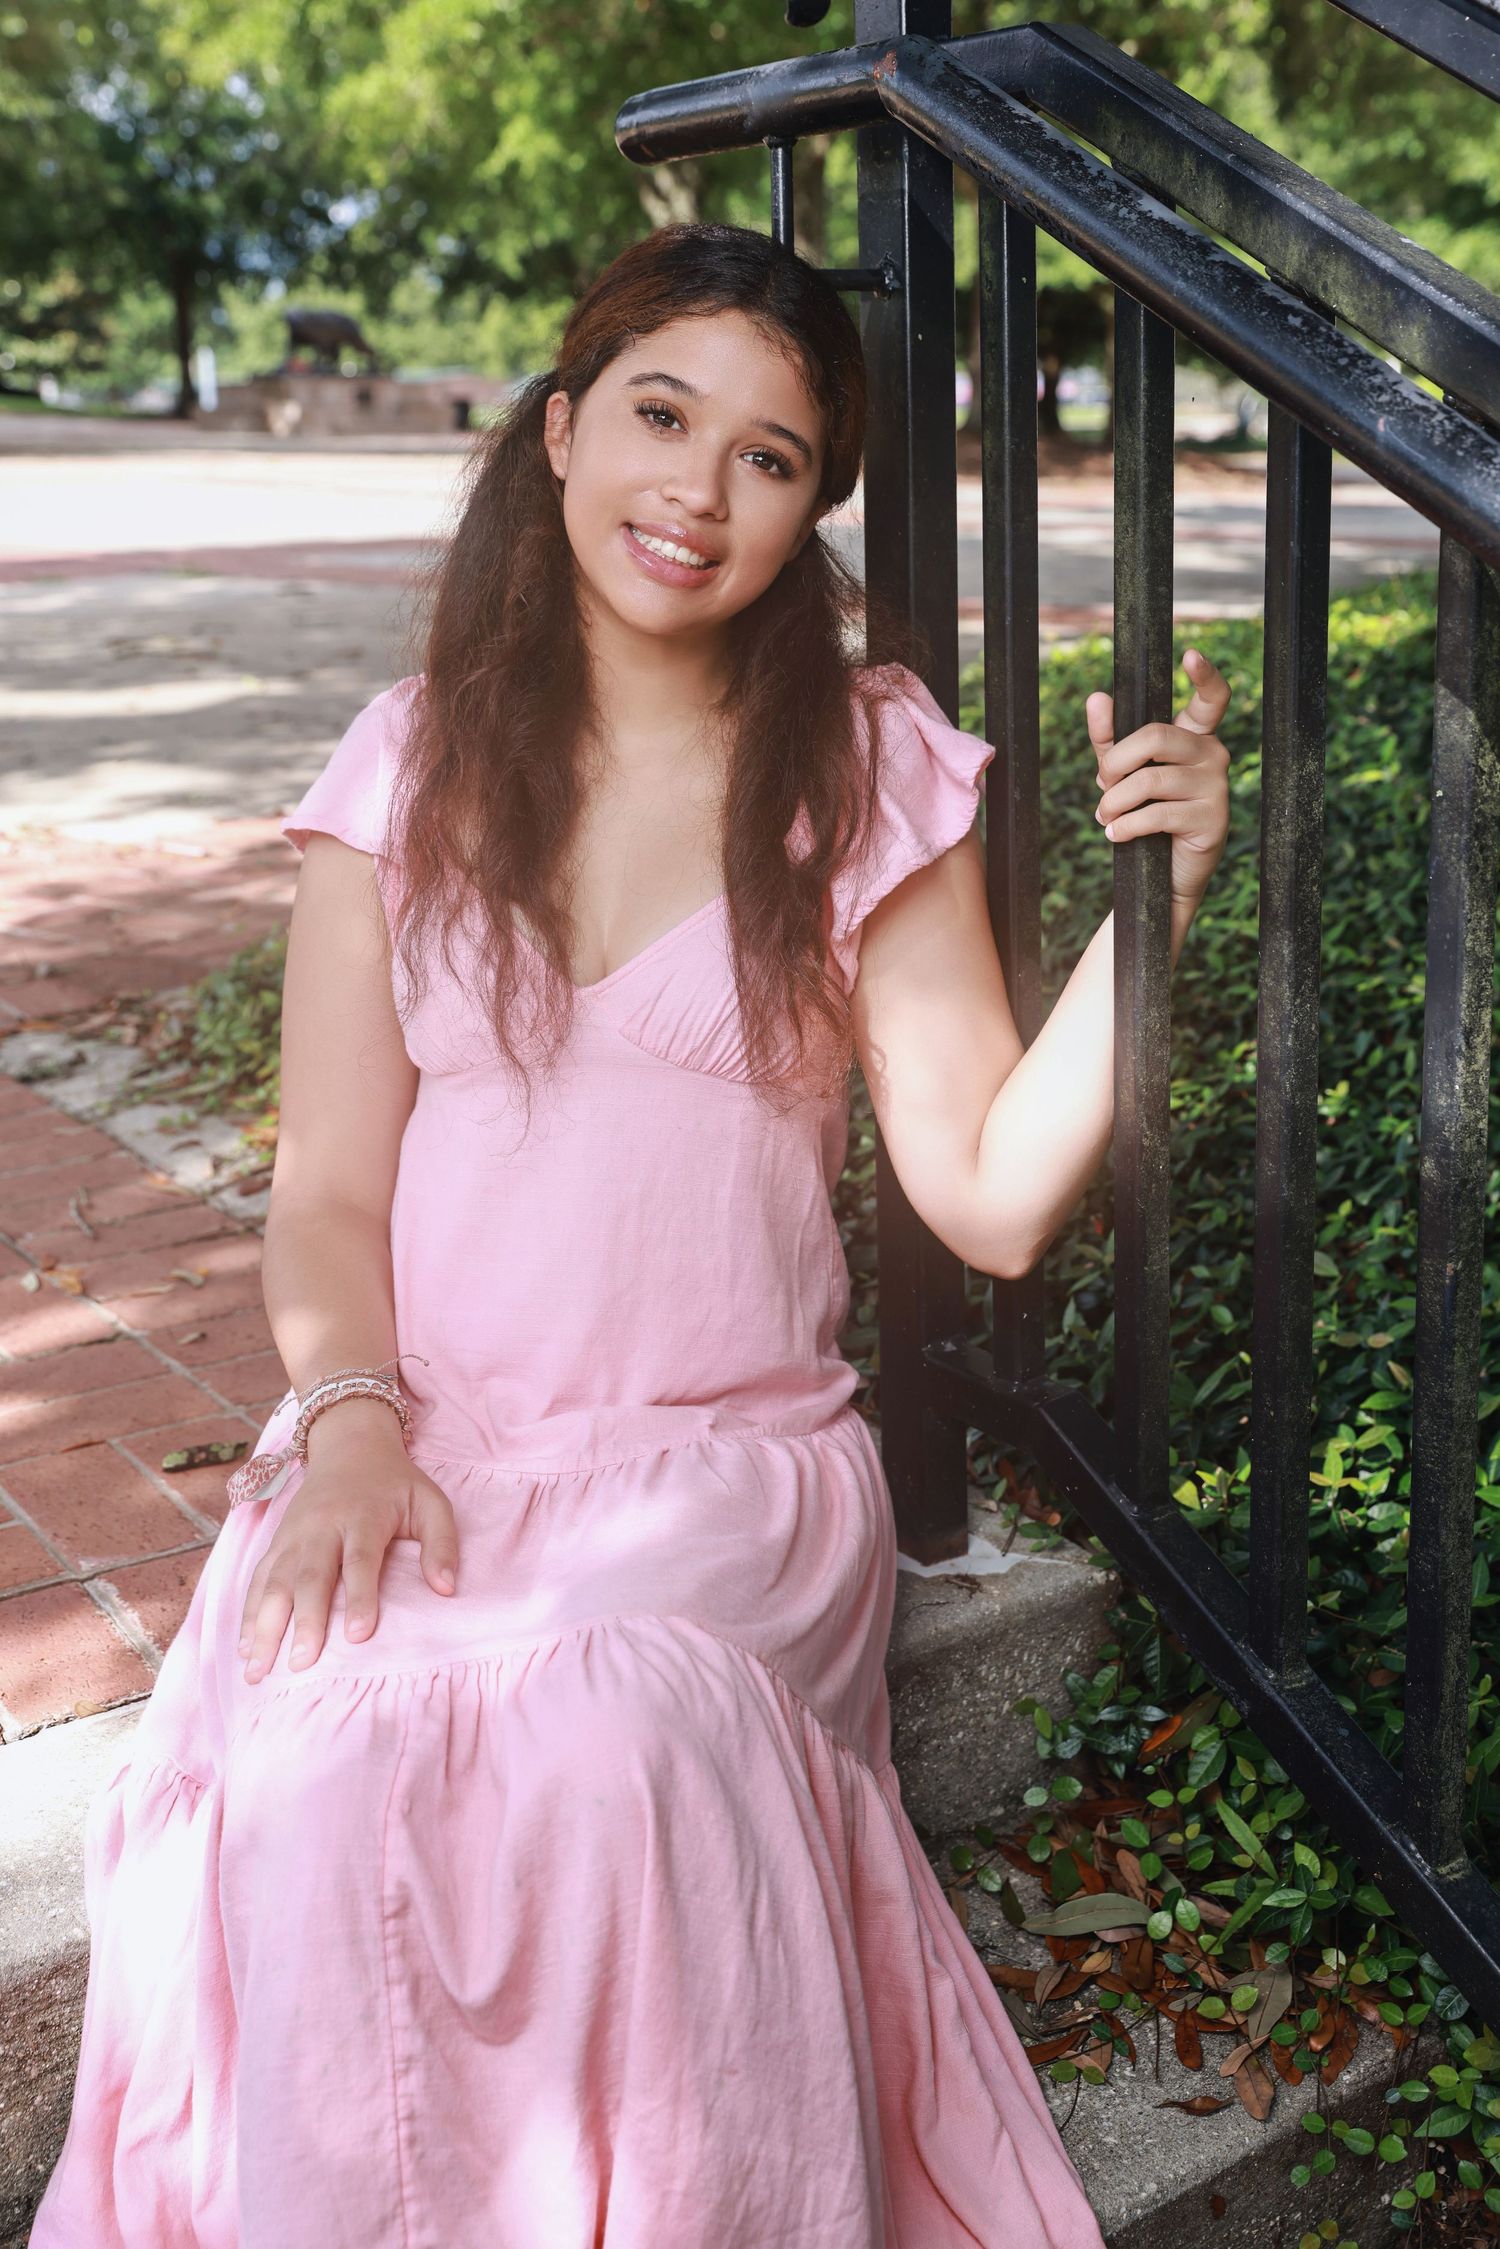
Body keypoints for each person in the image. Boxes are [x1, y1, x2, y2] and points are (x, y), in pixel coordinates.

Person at [30, 221, 1230, 2248]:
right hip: (427, 1433)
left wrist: (1161, 897)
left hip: (725, 1474)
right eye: (663, 416)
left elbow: (995, 1198)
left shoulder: (860, 770)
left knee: (598, 1741)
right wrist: (348, 1420)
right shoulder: (406, 768)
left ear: (809, 510)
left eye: (770, 457)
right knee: (318, 1774)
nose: (699, 489)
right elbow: (329, 1186)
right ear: (564, 427)